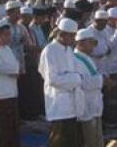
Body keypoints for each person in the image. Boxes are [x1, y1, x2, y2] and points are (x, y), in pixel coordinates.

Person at [38, 18, 84, 147]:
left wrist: (72, 78)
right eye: (72, 36)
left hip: (72, 103)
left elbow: (75, 74)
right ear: (62, 35)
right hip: (58, 104)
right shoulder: (50, 50)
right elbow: (52, 79)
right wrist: (75, 79)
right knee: (59, 140)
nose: (74, 40)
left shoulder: (68, 50)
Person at [0, 19, 20, 147]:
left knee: (12, 127)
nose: (8, 37)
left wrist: (14, 70)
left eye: (9, 34)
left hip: (11, 92)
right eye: (5, 34)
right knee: (3, 129)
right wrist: (13, 71)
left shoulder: (7, 48)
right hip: (0, 94)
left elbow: (16, 65)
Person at [74, 28, 104, 147]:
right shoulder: (75, 59)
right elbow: (83, 82)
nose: (93, 47)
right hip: (86, 105)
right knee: (90, 140)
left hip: (95, 104)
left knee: (97, 139)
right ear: (81, 43)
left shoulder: (87, 58)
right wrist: (102, 80)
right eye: (90, 43)